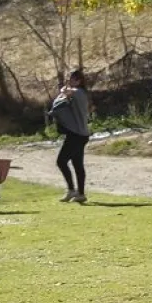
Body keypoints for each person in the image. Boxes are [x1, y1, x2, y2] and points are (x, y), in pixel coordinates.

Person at [51, 69, 91, 203]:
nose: (70, 81)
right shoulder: (78, 93)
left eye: (73, 79)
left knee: (61, 161)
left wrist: (63, 90)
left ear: (79, 81)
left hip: (76, 134)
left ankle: (72, 190)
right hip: (80, 134)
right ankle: (80, 194)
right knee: (77, 164)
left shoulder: (79, 92)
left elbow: (67, 93)